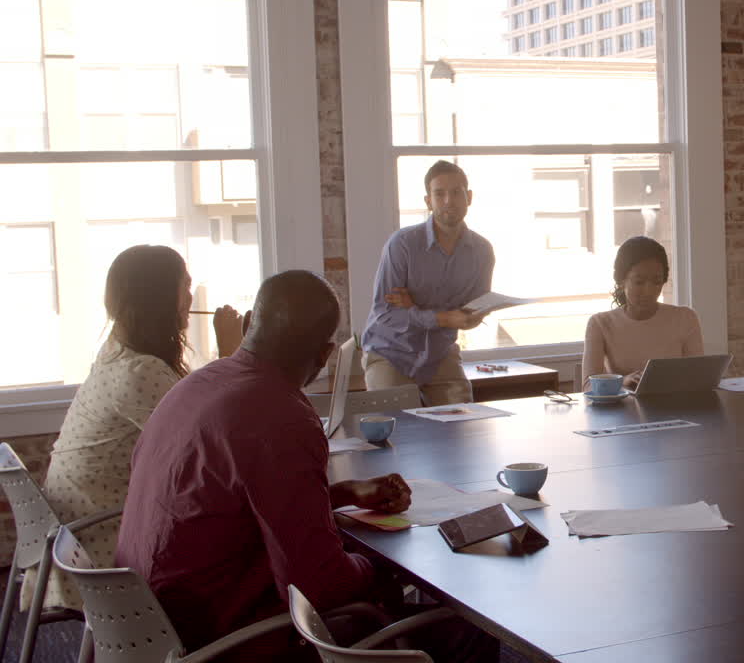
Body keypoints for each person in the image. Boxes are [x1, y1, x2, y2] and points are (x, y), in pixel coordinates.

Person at [117, 271, 493, 661]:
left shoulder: (197, 385)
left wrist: (343, 494)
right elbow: (320, 586)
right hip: (219, 639)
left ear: (249, 324)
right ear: (325, 355)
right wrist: (384, 568)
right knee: (466, 626)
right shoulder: (280, 415)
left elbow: (237, 507)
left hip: (146, 623)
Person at [22, 245, 241, 612]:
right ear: (158, 297)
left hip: (77, 528)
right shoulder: (140, 372)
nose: (190, 296)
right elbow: (215, 435)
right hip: (101, 537)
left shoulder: (118, 352)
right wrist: (234, 354)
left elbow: (196, 411)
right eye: (184, 286)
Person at [362, 160, 495, 405]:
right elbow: (385, 313)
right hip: (390, 351)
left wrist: (414, 310)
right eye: (439, 193)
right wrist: (444, 318)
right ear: (428, 201)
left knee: (463, 424)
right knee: (399, 428)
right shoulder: (402, 244)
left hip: (439, 353)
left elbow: (471, 315)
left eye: (456, 192)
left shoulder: (482, 251)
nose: (448, 201)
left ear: (469, 197)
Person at [582, 236, 703, 389]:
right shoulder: (600, 323)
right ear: (621, 281)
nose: (648, 291)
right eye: (639, 282)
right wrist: (623, 381)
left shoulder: (685, 318)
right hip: (623, 410)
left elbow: (699, 377)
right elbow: (588, 386)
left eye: (657, 282)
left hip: (675, 408)